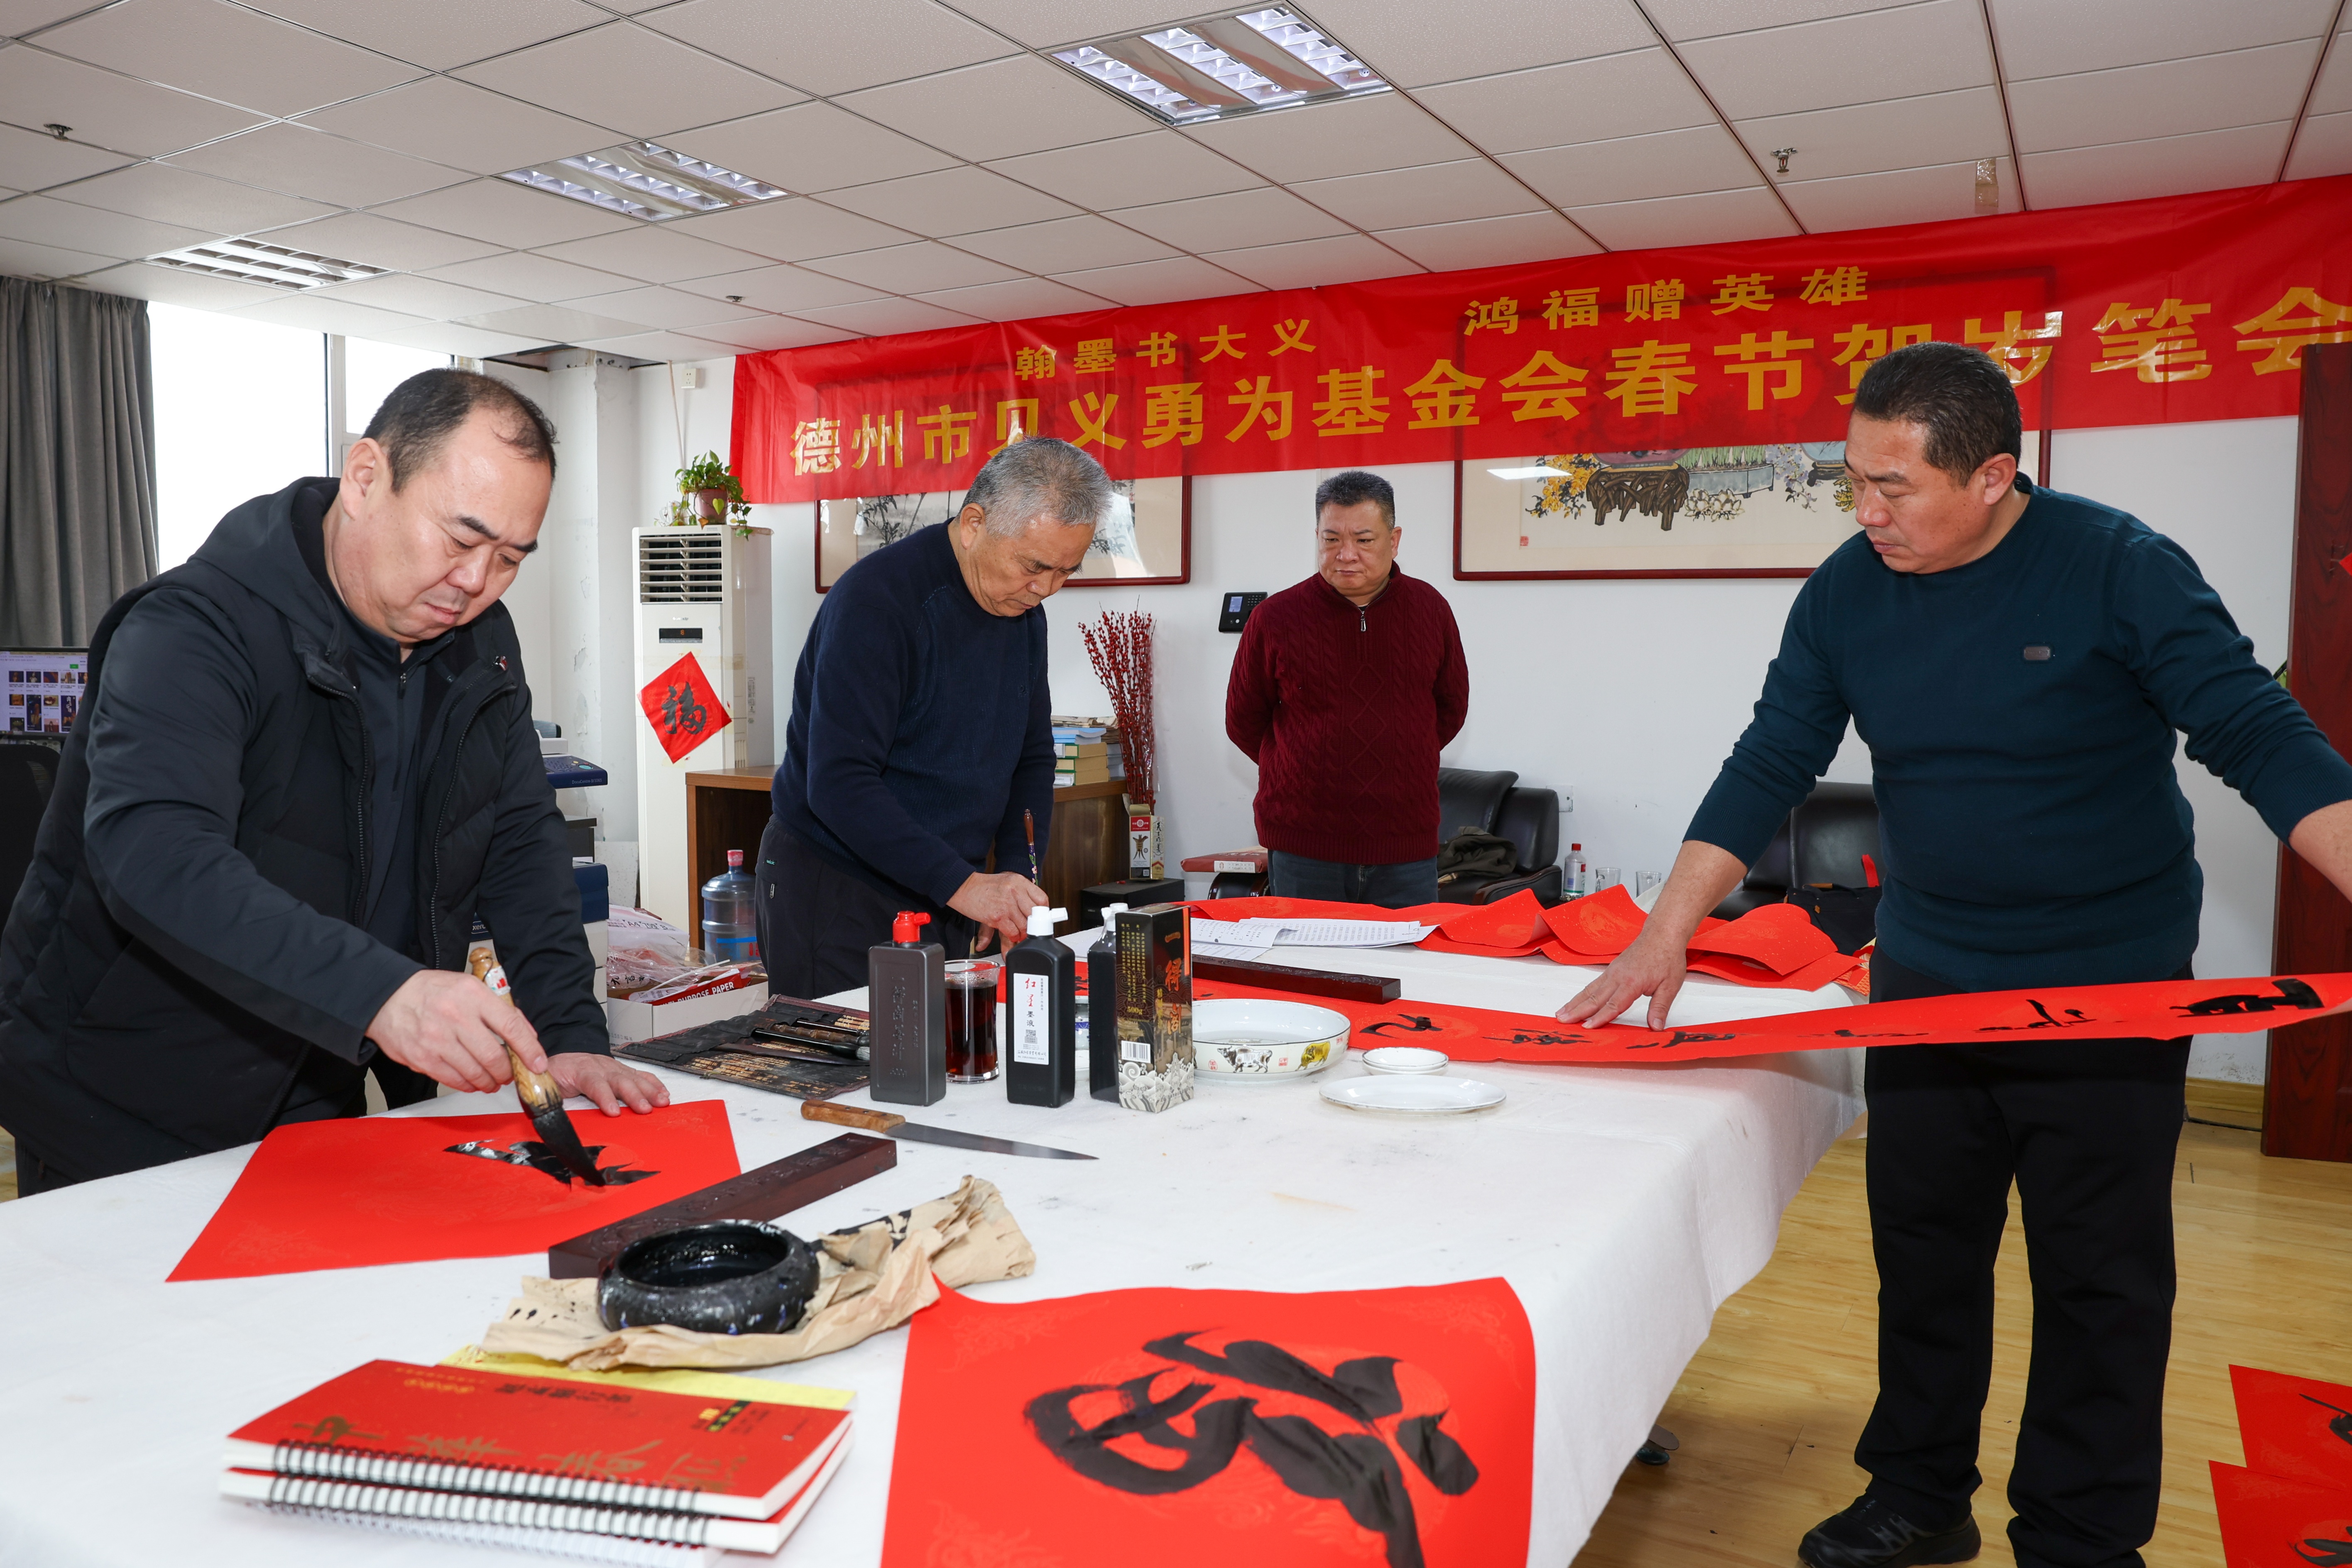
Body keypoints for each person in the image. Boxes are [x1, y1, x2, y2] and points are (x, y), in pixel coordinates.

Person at [1561, 341, 2352, 1568]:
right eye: (1852, 480)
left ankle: (2080, 1536)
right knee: (1924, 1253)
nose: (1866, 511)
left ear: (1990, 476)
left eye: (1893, 486)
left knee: (2099, 1278)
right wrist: (1667, 925)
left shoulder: (2117, 565)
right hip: (1927, 980)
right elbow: (1771, 755)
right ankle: (1919, 1495)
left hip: (2107, 986)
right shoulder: (1847, 589)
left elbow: (2257, 734)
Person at [0, 370, 666, 1194]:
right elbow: (156, 853)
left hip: (314, 1081)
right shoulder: (193, 626)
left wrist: (568, 1034)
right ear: (365, 478)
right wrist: (383, 993)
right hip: (121, 1096)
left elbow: (520, 838)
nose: (475, 582)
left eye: (508, 559)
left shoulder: (479, 643)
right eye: (459, 540)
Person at [758, 437, 1111, 998]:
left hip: (941, 884)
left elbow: (1031, 755)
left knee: (944, 1048)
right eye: (1034, 566)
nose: (1045, 589)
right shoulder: (878, 603)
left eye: (1065, 572)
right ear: (974, 524)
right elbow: (839, 782)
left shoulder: (1021, 609)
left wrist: (1014, 884)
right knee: (852, 1051)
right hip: (840, 885)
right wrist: (965, 887)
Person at [1224, 469, 1469, 908]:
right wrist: (1299, 766)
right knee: (1308, 954)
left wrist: (1399, 756)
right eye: (1332, 539)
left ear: (1394, 540)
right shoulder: (1275, 617)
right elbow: (1243, 719)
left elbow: (1450, 708)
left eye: (1364, 539)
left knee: (1406, 955)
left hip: (1404, 845)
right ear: (1316, 538)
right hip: (1304, 846)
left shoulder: (1430, 610)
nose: (1346, 554)